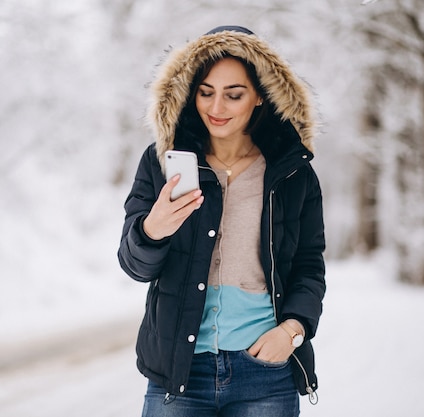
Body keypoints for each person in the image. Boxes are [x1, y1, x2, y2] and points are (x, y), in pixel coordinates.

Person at [118, 25, 326, 417]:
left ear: (260, 96)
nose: (217, 108)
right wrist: (152, 230)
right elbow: (133, 265)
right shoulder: (162, 162)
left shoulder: (291, 173)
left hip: (265, 370)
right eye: (206, 92)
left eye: (234, 95)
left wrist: (292, 331)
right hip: (180, 371)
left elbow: (309, 265)